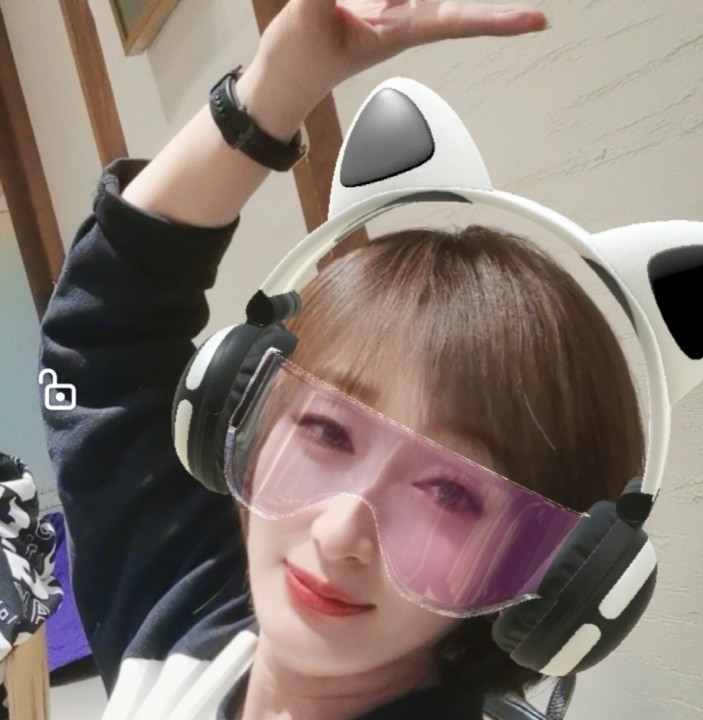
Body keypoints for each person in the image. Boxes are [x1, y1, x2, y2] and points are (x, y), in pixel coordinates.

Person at [39, 2, 644, 719]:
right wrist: (276, 85)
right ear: (238, 414)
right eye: (327, 431)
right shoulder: (188, 612)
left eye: (449, 494)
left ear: (544, 578)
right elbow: (106, 332)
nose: (336, 536)